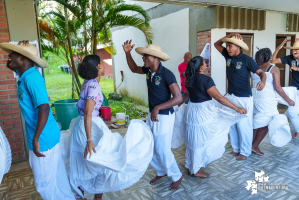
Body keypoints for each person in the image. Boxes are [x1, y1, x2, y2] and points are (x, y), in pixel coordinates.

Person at [66, 55, 154, 200]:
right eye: (102, 62)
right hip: (88, 129)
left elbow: (88, 112)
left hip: (83, 126)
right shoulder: (94, 85)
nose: (104, 65)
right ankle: (96, 197)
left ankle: (84, 196)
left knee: (88, 166)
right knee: (108, 162)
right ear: (98, 67)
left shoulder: (86, 83)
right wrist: (89, 139)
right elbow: (88, 112)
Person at [1, 41, 75, 199]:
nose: (9, 56)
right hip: (46, 135)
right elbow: (12, 64)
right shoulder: (26, 75)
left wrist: (35, 139)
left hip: (42, 139)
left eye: (13, 53)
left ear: (22, 58)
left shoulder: (31, 78)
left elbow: (45, 107)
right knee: (58, 178)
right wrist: (14, 61)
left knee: (44, 185)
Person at [122, 40, 184, 190]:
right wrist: (127, 53)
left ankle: (177, 175)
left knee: (163, 149)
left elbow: (178, 98)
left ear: (155, 58)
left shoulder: (167, 74)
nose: (143, 58)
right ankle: (161, 171)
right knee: (150, 145)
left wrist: (157, 108)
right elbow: (133, 68)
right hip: (153, 114)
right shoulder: (149, 71)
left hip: (164, 116)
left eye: (145, 56)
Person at [180, 56, 247, 177]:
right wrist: (237, 108)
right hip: (202, 112)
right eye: (205, 63)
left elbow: (186, 94)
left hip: (191, 110)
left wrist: (179, 105)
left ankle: (190, 164)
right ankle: (196, 170)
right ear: (201, 67)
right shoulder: (206, 80)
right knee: (202, 139)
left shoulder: (189, 79)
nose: (206, 65)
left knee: (193, 139)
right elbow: (219, 97)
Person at [214, 33, 266, 160]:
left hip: (244, 98)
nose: (227, 48)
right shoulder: (228, 56)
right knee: (232, 125)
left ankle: (245, 151)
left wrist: (263, 81)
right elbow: (217, 44)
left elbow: (261, 73)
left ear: (238, 46)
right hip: (231, 97)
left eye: (230, 46)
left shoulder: (247, 59)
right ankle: (236, 148)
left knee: (244, 126)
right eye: (227, 46)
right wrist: (229, 35)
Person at [252, 48, 295, 155]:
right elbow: (278, 88)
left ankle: (249, 146)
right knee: (267, 122)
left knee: (257, 122)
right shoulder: (273, 69)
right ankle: (254, 146)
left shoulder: (253, 68)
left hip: (255, 97)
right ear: (268, 57)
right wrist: (289, 100)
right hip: (266, 98)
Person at [270, 40, 299, 139]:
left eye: (296, 49)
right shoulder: (290, 58)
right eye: (293, 49)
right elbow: (272, 61)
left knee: (292, 112)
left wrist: (298, 69)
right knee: (276, 93)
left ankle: (298, 131)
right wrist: (279, 47)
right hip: (295, 91)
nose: (294, 51)